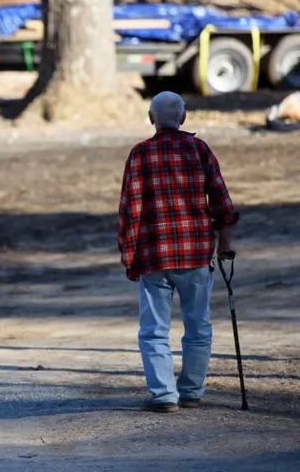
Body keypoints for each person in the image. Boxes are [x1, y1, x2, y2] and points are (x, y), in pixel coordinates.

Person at [116, 91, 240, 413]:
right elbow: (222, 202)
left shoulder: (140, 154)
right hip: (196, 254)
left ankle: (163, 395)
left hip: (155, 256)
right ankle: (191, 392)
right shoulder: (199, 150)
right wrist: (225, 242)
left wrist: (129, 256)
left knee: (154, 330)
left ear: (150, 117)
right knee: (198, 326)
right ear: (183, 118)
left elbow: (130, 211)